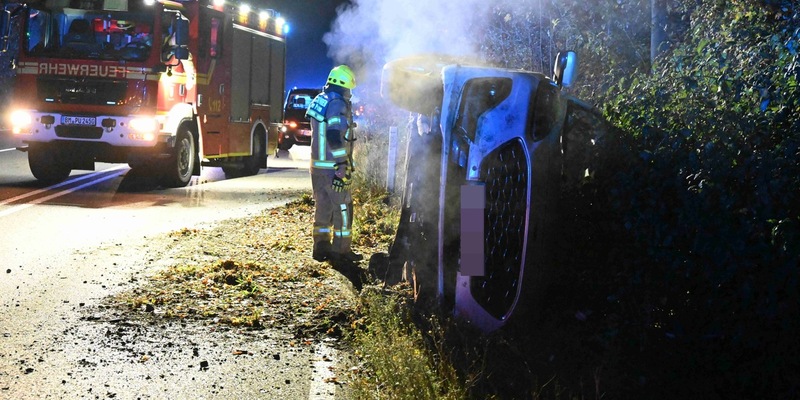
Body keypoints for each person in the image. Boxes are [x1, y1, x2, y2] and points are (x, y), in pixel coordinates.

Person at [306, 65, 363, 263]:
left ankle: (320, 247)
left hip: (317, 166)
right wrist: (341, 163)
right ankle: (341, 251)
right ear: (343, 86)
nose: (350, 93)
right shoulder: (337, 103)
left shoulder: (320, 99)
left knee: (323, 205)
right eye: (349, 89)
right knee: (344, 207)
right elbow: (334, 135)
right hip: (332, 167)